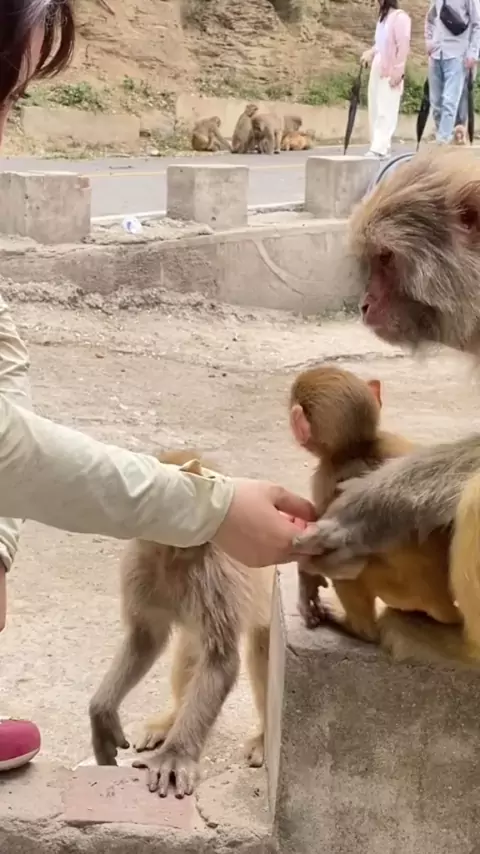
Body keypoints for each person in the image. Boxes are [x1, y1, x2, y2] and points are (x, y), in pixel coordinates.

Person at [0, 0, 315, 772]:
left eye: (14, 103)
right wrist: (205, 506)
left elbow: (3, 354)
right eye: (2, 97)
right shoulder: (155, 555)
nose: (6, 133)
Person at [360, 0, 411, 159]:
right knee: (375, 108)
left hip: (391, 70)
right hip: (378, 68)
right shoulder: (383, 19)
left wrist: (398, 71)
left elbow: (403, 47)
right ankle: (380, 146)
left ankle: (379, 148)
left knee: (386, 109)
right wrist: (370, 52)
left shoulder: (400, 18)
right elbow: (380, 44)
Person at [425, 0, 480, 144]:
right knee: (436, 103)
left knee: (450, 101)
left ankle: (443, 139)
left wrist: (473, 52)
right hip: (436, 53)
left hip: (457, 53)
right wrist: (428, 40)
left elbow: (477, 24)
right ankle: (442, 135)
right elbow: (430, 18)